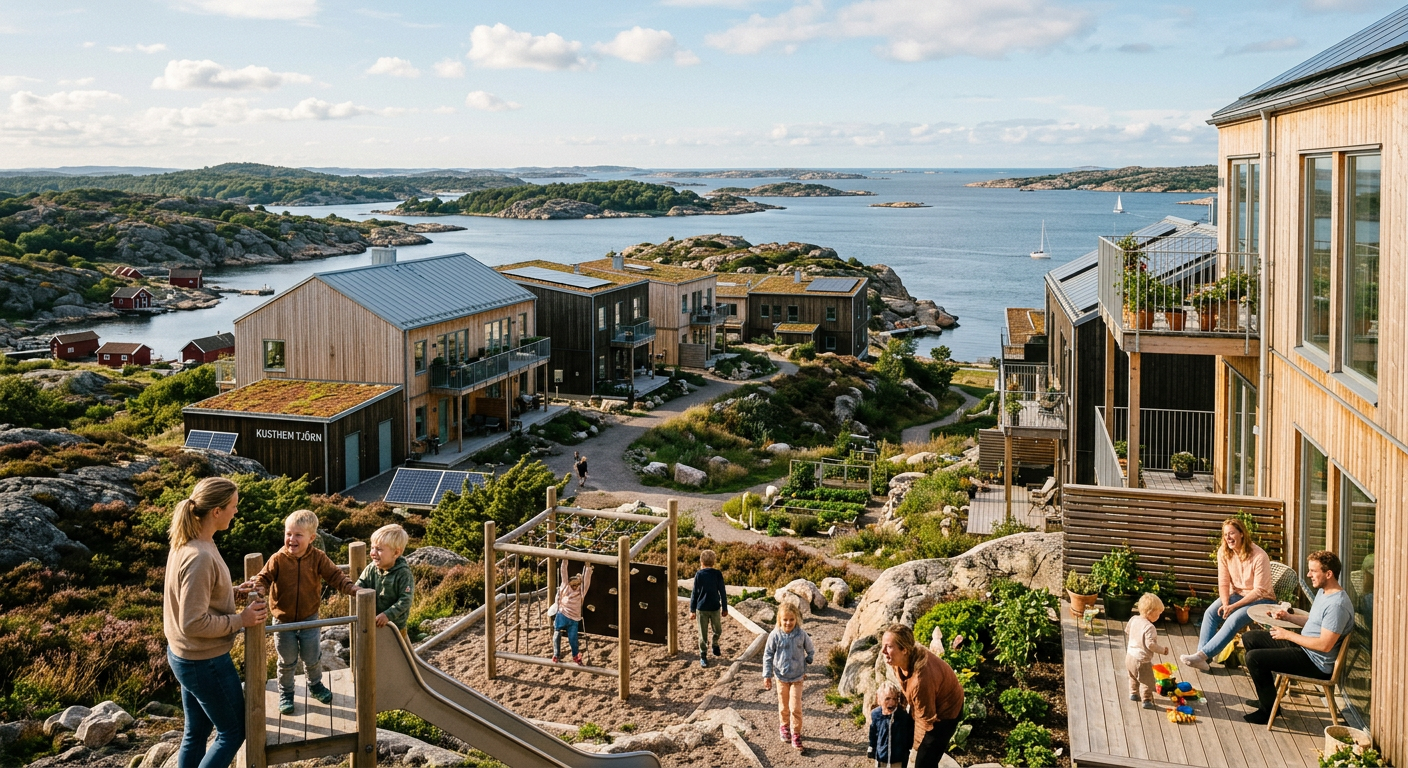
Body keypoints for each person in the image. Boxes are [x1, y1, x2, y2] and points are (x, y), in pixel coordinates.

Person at [163, 477, 267, 768]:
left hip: (185, 656)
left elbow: (195, 596)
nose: (236, 512)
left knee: (196, 732)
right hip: (203, 661)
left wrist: (231, 592)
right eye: (233, 506)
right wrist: (241, 620)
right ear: (216, 511)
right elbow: (193, 622)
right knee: (233, 732)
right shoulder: (199, 556)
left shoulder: (190, 543)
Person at [251, 509, 360, 715]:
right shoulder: (278, 559)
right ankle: (286, 692)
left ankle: (315, 684)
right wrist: (259, 588)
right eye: (288, 534)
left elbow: (336, 576)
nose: (291, 539)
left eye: (298, 535)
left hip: (310, 618)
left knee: (312, 657)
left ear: (311, 538)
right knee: (287, 661)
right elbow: (263, 578)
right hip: (283, 621)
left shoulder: (318, 558)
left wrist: (352, 589)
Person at [1241, 550, 1354, 725]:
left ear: (1328, 573)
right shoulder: (1324, 592)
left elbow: (1324, 645)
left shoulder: (1337, 606)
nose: (1309, 575)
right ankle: (1268, 699)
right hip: (1304, 648)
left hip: (1316, 663)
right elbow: (1314, 622)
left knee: (1254, 658)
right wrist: (1288, 618)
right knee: (1250, 638)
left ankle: (1267, 710)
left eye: (1313, 571)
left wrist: (1288, 635)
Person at [1180, 517, 1275, 671]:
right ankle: (1203, 658)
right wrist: (1225, 603)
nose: (1228, 538)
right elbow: (1224, 582)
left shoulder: (1259, 556)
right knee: (1211, 612)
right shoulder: (1224, 552)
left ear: (1242, 534)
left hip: (1261, 600)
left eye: (1232, 533)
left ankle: (1202, 655)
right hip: (1238, 595)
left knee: (1234, 618)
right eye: (1225, 535)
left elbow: (1259, 591)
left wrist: (1233, 606)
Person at [878, 623, 963, 768]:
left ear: (904, 649)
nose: (883, 651)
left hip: (946, 713)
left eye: (889, 647)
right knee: (901, 739)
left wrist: (917, 749)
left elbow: (926, 721)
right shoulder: (900, 660)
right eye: (883, 645)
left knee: (924, 762)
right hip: (927, 701)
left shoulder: (921, 680)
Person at [763, 601, 814, 753]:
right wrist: (767, 675)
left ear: (796, 619)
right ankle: (784, 726)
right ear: (779, 619)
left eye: (791, 619)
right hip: (781, 677)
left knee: (795, 707)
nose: (788, 622)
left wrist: (808, 660)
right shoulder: (775, 635)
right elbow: (768, 655)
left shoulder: (801, 635)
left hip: (798, 677)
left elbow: (810, 649)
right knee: (784, 706)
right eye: (785, 619)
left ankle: (796, 734)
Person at [354, 524, 413, 630]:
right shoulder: (371, 568)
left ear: (396, 552)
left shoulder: (403, 573)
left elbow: (406, 599)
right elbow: (360, 585)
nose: (372, 553)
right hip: (372, 622)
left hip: (394, 627)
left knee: (393, 646)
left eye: (379, 549)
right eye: (372, 548)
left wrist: (388, 615)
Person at [1126, 593, 1170, 708]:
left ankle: (1133, 693)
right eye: (1158, 614)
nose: (1159, 616)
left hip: (1129, 655)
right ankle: (1146, 700)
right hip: (1142, 660)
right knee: (1147, 681)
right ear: (1150, 612)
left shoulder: (1134, 619)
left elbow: (1127, 631)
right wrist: (1162, 650)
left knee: (1133, 676)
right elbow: (1150, 645)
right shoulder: (1150, 627)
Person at [689, 549, 728, 668]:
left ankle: (715, 644)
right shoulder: (699, 575)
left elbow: (722, 591)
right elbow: (695, 593)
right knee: (703, 633)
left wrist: (724, 607)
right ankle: (703, 655)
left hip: (715, 607)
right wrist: (692, 610)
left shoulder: (717, 574)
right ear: (714, 561)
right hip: (701, 609)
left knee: (718, 630)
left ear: (701, 562)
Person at [552, 561, 593, 664]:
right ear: (570, 582)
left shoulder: (581, 592)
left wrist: (587, 567)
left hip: (574, 619)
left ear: (580, 584)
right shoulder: (565, 587)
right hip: (563, 614)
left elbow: (587, 581)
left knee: (573, 638)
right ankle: (556, 654)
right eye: (573, 584)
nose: (574, 586)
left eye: (577, 584)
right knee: (557, 633)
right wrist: (565, 560)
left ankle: (575, 656)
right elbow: (563, 572)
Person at [867, 681, 914, 768]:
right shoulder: (875, 714)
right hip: (881, 756)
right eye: (887, 699)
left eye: (894, 699)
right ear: (879, 699)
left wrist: (909, 750)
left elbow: (909, 735)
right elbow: (873, 732)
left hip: (898, 759)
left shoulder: (903, 716)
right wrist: (871, 746)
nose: (891, 703)